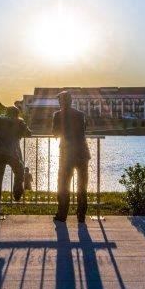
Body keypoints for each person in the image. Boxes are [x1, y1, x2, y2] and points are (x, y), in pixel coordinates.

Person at [0, 106, 32, 224]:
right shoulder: (20, 122)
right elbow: (29, 134)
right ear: (17, 114)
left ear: (6, 113)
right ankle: (17, 188)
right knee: (20, 170)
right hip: (12, 154)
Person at [52, 90, 90, 223]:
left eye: (59, 100)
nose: (58, 103)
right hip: (82, 153)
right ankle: (81, 216)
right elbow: (85, 130)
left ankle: (62, 215)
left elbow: (55, 133)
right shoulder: (80, 114)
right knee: (82, 185)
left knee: (63, 184)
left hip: (67, 154)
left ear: (61, 102)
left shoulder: (58, 115)